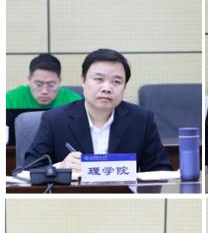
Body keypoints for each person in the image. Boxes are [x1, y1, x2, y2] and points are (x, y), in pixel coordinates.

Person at [24, 49, 172, 172]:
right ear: (83, 80)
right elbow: (29, 169)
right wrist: (60, 167)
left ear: (124, 87)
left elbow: (160, 170)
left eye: (116, 82)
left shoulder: (141, 120)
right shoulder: (55, 120)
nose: (107, 88)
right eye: (99, 79)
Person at [6, 54, 82, 110]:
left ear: (59, 81)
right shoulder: (11, 99)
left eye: (51, 85)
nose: (44, 91)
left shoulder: (74, 102)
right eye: (39, 84)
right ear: (29, 80)